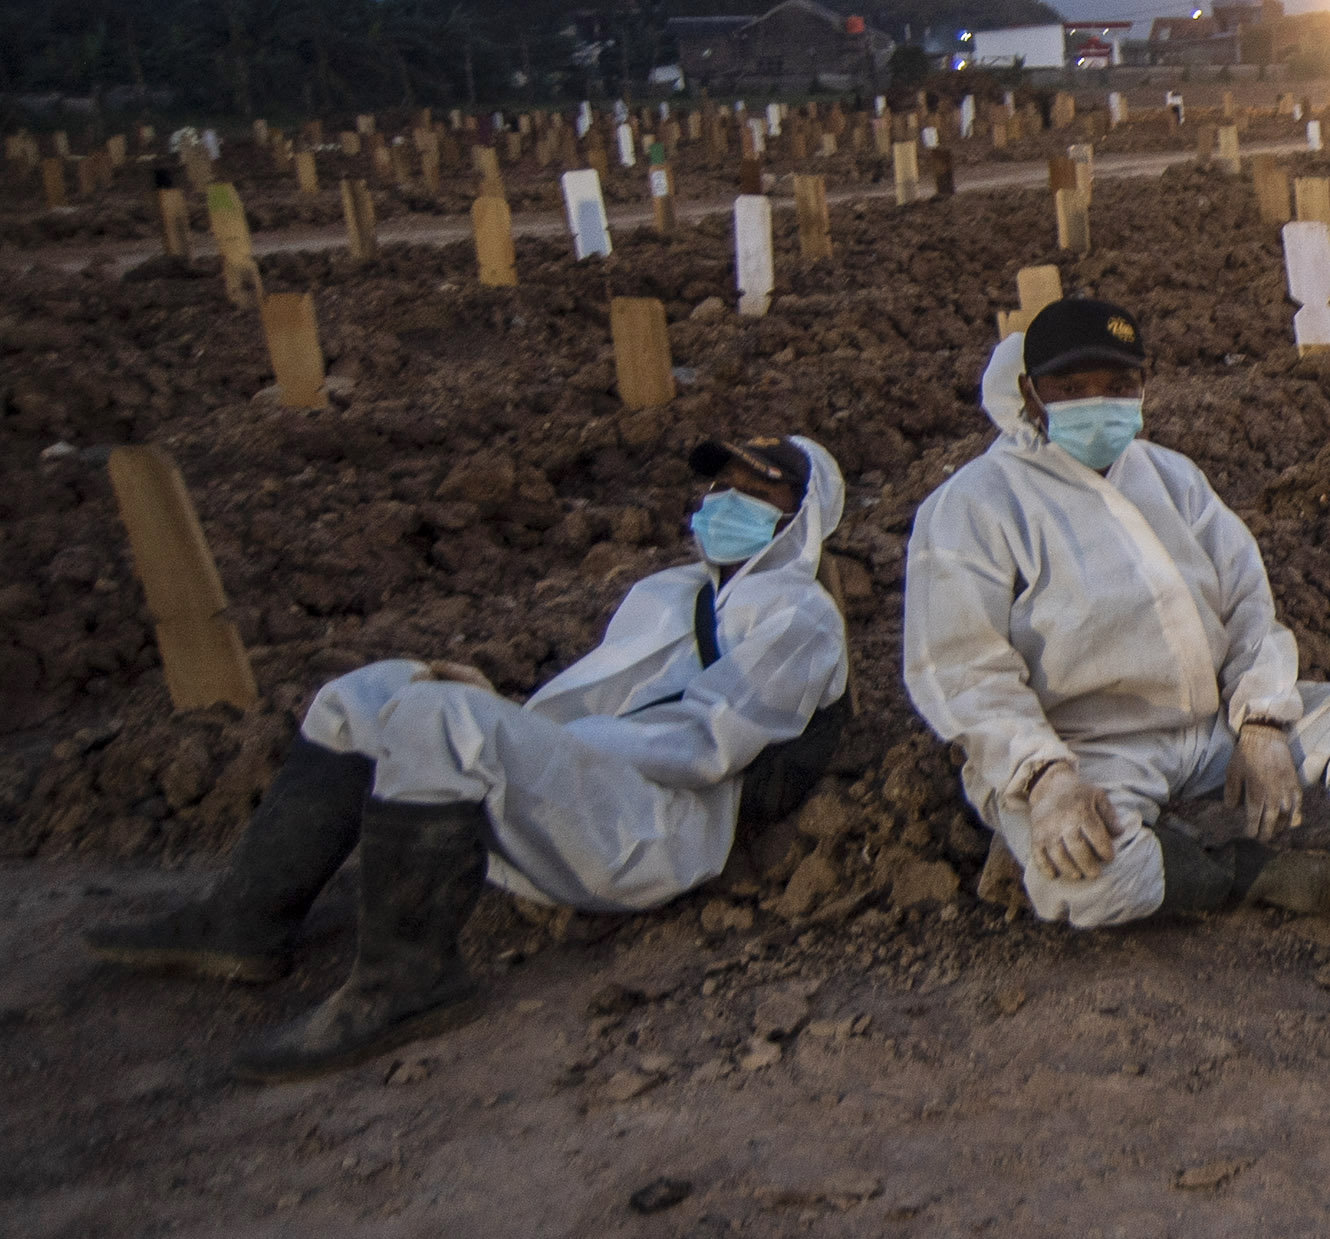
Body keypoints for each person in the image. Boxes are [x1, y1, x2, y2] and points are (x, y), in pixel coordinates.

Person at [89, 436, 855, 1081]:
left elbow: (703, 745)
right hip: (596, 788)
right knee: (363, 692)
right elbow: (594, 702)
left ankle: (408, 980)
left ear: (799, 514)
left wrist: (518, 732)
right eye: (719, 483)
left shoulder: (799, 619)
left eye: (753, 490)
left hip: (666, 825)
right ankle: (245, 922)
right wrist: (516, 724)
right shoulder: (671, 591)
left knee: (440, 716)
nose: (724, 500)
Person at [905, 297, 1330, 975]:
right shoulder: (974, 505)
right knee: (1085, 883)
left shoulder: (1170, 475)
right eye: (1071, 389)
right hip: (1084, 752)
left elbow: (1247, 604)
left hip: (1210, 725)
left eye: (1117, 386)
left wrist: (1259, 720)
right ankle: (1245, 873)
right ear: (1028, 393)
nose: (1099, 404)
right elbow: (961, 668)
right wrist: (1045, 777)